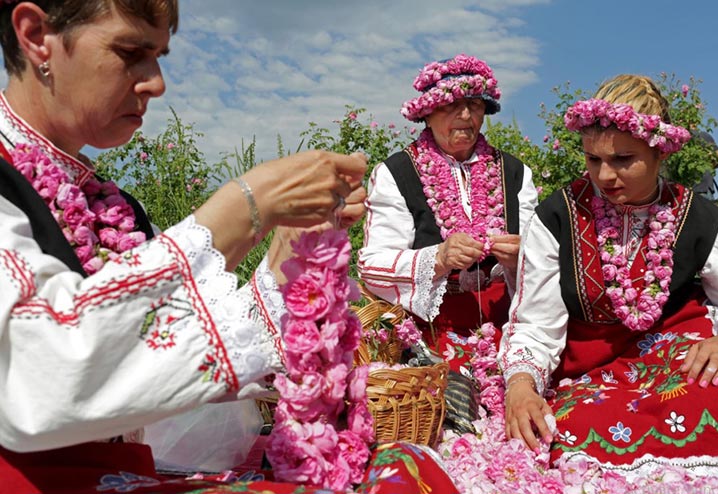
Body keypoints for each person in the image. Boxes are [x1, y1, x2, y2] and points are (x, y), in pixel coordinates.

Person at [0, 2, 460, 493]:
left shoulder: (115, 210)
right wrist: (244, 208)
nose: (156, 83)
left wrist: (289, 248)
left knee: (403, 470)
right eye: (131, 51)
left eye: (158, 56)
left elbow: (158, 363)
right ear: (35, 35)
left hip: (109, 472)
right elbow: (38, 381)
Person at [498, 74, 718, 485]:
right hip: (589, 372)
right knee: (568, 429)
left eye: (623, 160)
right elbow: (536, 325)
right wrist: (521, 386)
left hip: (675, 361)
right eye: (594, 160)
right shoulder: (558, 217)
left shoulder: (698, 217)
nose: (605, 176)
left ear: (659, 153)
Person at [358, 54, 538, 375]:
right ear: (427, 113)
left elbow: (545, 261)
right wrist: (438, 258)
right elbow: (372, 267)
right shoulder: (395, 173)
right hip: (428, 334)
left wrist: (520, 257)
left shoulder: (515, 172)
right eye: (450, 105)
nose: (466, 115)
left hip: (507, 325)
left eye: (475, 104)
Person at [692, 130, 718, 200]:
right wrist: (705, 166)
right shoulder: (703, 135)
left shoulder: (676, 137)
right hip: (702, 188)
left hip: (695, 189)